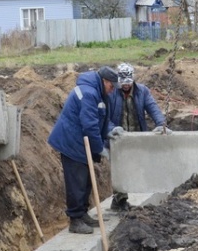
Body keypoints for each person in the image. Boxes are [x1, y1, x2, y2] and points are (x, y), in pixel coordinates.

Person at [47, 66, 119, 234]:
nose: (112, 90)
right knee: (76, 182)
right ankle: (75, 219)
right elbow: (90, 125)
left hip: (80, 142)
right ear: (104, 81)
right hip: (72, 142)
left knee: (85, 180)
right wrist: (100, 148)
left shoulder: (99, 92)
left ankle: (82, 213)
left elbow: (102, 117)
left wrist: (110, 129)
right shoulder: (89, 93)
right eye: (111, 86)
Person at [105, 62, 168, 211]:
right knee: (120, 169)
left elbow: (153, 108)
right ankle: (120, 200)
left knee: (134, 167)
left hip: (136, 138)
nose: (126, 86)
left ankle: (121, 200)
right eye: (123, 84)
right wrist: (112, 129)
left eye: (128, 83)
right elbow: (104, 116)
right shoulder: (111, 93)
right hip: (118, 138)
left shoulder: (142, 92)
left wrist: (161, 124)